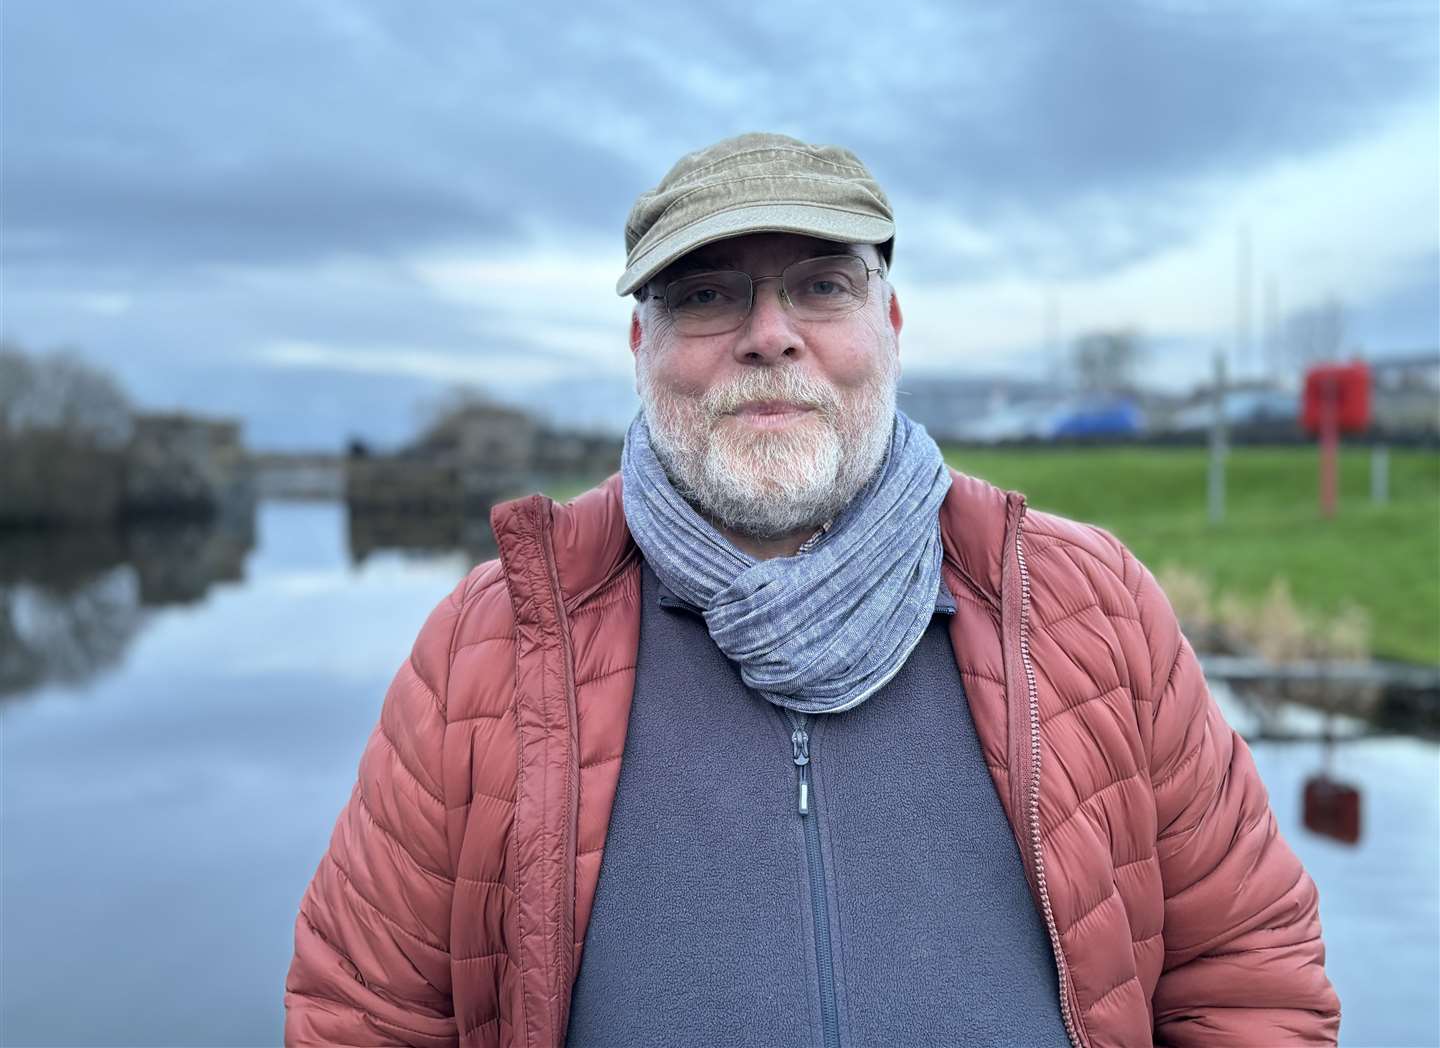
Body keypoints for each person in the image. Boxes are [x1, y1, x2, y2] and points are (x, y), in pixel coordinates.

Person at [285, 133, 1340, 1048]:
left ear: (893, 323)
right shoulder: (490, 646)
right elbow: (361, 1015)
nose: (770, 332)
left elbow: (1250, 973)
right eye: (705, 293)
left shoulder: (1087, 603)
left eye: (822, 285)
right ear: (639, 345)